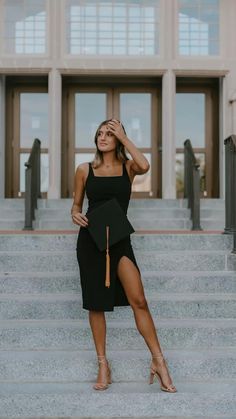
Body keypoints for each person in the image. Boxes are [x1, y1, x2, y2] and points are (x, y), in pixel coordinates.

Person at [71, 118, 177, 393]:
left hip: (119, 240)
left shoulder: (128, 167)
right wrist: (75, 214)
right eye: (100, 133)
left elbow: (144, 165)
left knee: (139, 300)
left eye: (110, 133)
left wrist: (125, 138)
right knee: (96, 304)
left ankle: (158, 361)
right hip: (91, 242)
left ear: (118, 139)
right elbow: (75, 205)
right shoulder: (84, 169)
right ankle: (103, 364)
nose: (103, 137)